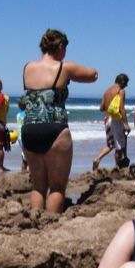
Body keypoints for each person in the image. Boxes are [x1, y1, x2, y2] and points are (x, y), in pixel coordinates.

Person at [20, 29, 98, 213]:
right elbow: (92, 75)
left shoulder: (27, 67)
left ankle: (35, 221)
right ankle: (51, 224)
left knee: (38, 185)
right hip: (55, 128)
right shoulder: (64, 67)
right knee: (57, 186)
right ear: (60, 46)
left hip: (29, 129)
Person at [92, 73, 130, 171]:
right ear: (122, 82)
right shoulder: (121, 91)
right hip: (116, 120)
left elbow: (101, 108)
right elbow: (121, 108)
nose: (127, 85)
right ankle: (118, 168)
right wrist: (126, 124)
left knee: (110, 144)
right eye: (126, 83)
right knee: (119, 146)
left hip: (107, 119)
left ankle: (97, 158)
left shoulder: (107, 91)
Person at [15, 96, 28, 173]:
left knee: (24, 154)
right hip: (26, 136)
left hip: (19, 137)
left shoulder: (18, 115)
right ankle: (26, 171)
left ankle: (23, 171)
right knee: (29, 155)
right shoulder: (27, 114)